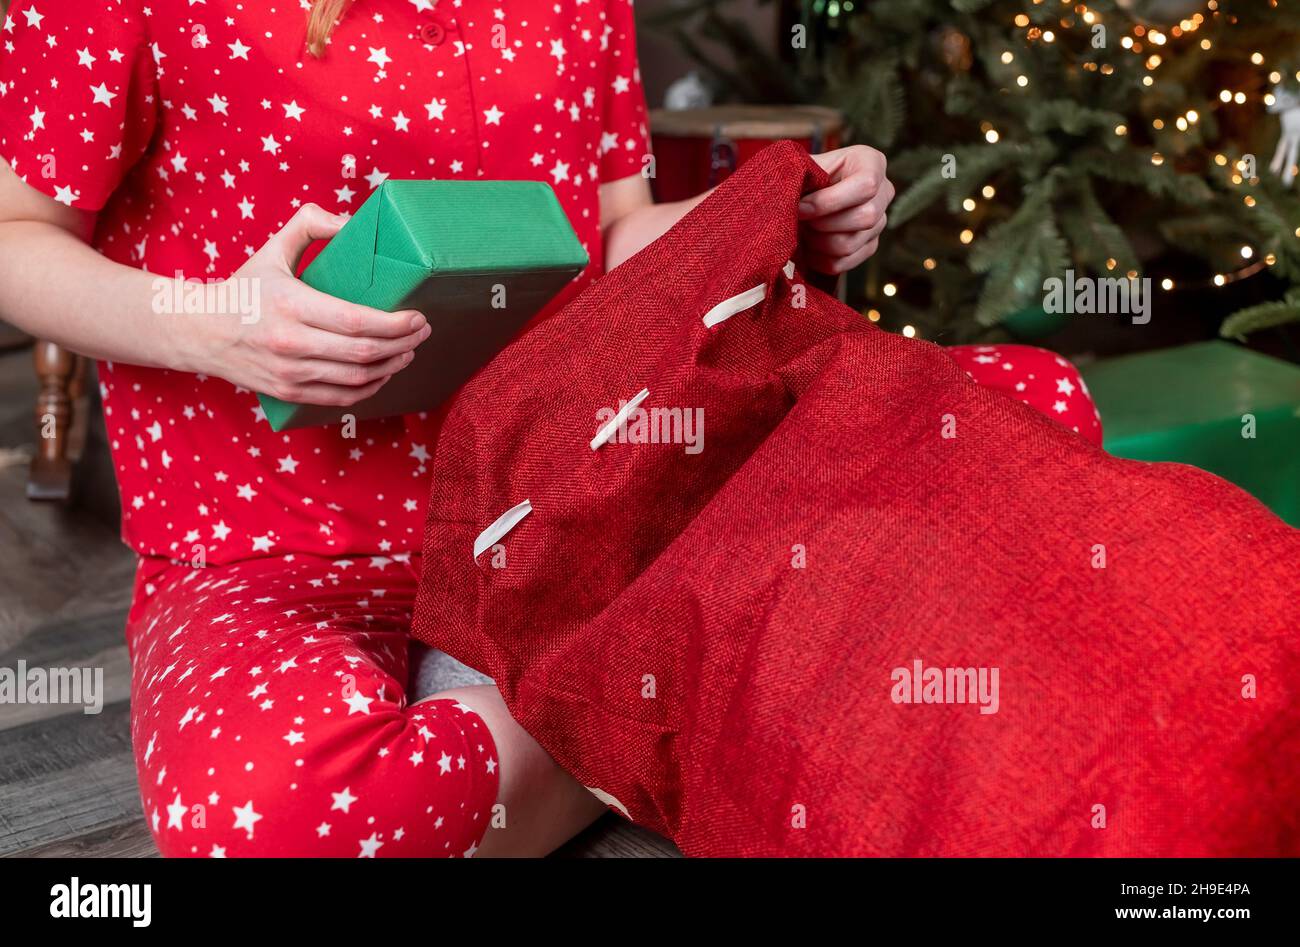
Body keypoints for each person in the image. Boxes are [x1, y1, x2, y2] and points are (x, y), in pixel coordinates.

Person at [0, 0, 1086, 856]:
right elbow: (14, 236)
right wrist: (214, 326)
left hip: (578, 490)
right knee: (279, 818)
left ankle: (580, 687)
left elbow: (609, 234)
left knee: (1028, 402)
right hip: (279, 544)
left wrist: (785, 214)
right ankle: (705, 685)